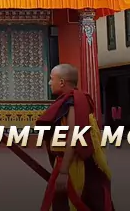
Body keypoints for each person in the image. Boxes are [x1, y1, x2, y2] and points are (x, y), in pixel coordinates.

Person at [35, 64, 112, 211]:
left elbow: (74, 135)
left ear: (62, 82)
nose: (49, 83)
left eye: (52, 79)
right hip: (68, 162)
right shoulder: (69, 101)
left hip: (75, 164)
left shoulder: (73, 103)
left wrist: (64, 172)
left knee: (73, 202)